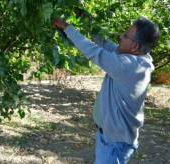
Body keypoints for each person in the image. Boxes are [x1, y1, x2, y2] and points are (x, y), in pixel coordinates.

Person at [52, 17, 160, 164]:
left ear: (135, 47)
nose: (120, 36)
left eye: (125, 35)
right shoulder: (131, 57)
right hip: (110, 138)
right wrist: (85, 16)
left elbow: (95, 52)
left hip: (115, 144)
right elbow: (104, 43)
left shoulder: (130, 66)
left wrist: (67, 27)